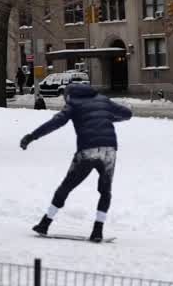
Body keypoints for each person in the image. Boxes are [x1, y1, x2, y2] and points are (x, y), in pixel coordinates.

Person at [21, 84, 133, 242]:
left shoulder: (73, 104)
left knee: (66, 186)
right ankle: (97, 231)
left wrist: (31, 137)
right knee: (105, 191)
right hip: (109, 150)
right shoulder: (103, 100)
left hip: (87, 151)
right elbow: (127, 114)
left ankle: (45, 223)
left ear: (68, 95)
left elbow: (56, 122)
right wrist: (107, 116)